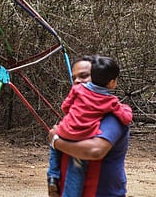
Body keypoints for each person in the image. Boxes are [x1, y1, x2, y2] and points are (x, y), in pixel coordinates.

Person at [47, 55, 131, 197]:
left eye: (84, 76)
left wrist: (56, 141)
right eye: (74, 78)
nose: (78, 81)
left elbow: (95, 150)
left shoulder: (112, 115)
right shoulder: (78, 112)